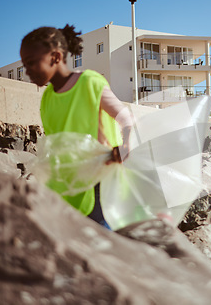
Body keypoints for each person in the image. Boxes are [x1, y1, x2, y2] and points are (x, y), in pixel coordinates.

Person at [20, 24, 133, 229]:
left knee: (100, 240)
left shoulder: (90, 82)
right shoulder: (47, 97)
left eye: (31, 63)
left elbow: (125, 117)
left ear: (55, 57)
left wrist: (125, 146)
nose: (27, 71)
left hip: (101, 182)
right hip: (68, 184)